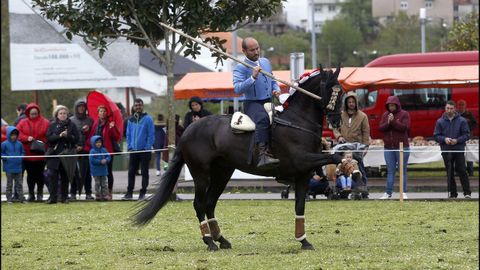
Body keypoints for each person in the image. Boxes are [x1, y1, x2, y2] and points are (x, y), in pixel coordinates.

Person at [233, 37, 281, 168]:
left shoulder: (265, 62)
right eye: (252, 50)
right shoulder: (240, 67)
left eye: (257, 48)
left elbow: (272, 80)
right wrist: (252, 77)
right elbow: (237, 89)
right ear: (244, 51)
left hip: (268, 101)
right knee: (262, 119)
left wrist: (276, 90)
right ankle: (262, 155)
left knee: (284, 119)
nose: (256, 52)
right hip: (252, 103)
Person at [434, 100, 471, 199]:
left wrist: (457, 140)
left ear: (455, 109)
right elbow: (436, 136)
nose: (449, 110)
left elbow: (467, 135)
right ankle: (453, 194)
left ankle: (467, 193)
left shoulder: (462, 120)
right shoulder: (440, 121)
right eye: (447, 108)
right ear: (445, 109)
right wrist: (444, 139)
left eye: (451, 108)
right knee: (449, 172)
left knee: (462, 170)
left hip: (458, 149)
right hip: (446, 149)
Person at [333, 91, 370, 188]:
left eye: (353, 102)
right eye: (349, 102)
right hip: (343, 147)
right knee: (342, 168)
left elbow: (366, 132)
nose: (351, 104)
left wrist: (366, 146)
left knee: (359, 168)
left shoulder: (363, 116)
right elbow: (335, 128)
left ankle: (363, 188)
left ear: (356, 103)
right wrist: (339, 136)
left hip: (357, 147)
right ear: (346, 103)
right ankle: (341, 188)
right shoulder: (340, 115)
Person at [378, 96, 411, 199]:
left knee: (402, 170)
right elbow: (381, 128)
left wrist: (393, 122)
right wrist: (388, 122)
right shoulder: (385, 115)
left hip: (402, 147)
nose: (391, 107)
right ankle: (388, 192)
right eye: (389, 105)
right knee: (390, 171)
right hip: (388, 147)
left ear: (397, 105)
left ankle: (403, 192)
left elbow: (404, 128)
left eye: (393, 105)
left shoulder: (404, 114)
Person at [86, 105, 121, 200]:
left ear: (107, 113)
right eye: (101, 111)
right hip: (97, 152)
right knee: (98, 174)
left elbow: (115, 137)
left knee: (108, 172)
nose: (103, 113)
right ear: (98, 113)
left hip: (107, 151)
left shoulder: (110, 123)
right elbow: (91, 136)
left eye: (104, 111)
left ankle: (108, 192)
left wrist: (112, 128)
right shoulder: (95, 124)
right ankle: (99, 193)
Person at [16, 103, 50, 202]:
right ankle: (31, 194)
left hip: (41, 154)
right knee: (30, 176)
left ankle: (40, 194)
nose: (34, 115)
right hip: (28, 153)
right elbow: (17, 134)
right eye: (32, 114)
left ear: (38, 112)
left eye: (35, 113)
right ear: (28, 113)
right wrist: (27, 138)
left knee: (40, 175)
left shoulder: (46, 122)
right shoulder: (22, 122)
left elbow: (49, 135)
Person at [45, 105, 79, 204]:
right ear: (57, 115)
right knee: (52, 177)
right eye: (61, 113)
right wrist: (59, 136)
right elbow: (49, 139)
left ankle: (64, 197)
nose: (63, 115)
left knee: (65, 177)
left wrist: (67, 135)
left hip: (66, 154)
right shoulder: (52, 125)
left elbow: (76, 139)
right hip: (54, 154)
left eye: (64, 113)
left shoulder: (72, 125)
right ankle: (53, 198)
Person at [123, 98, 155, 201]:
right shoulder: (130, 120)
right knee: (131, 172)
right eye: (136, 105)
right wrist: (130, 146)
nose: (138, 107)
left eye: (140, 105)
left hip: (145, 151)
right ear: (134, 107)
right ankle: (129, 192)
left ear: (143, 106)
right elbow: (128, 134)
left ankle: (143, 193)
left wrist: (147, 147)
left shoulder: (148, 119)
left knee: (144, 172)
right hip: (133, 151)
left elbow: (151, 135)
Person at [69, 100, 95, 200]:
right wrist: (75, 146)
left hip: (86, 149)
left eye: (83, 106)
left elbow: (92, 136)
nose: (81, 108)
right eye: (79, 106)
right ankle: (73, 193)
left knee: (87, 172)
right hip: (74, 149)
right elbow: (69, 135)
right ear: (76, 108)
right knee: (74, 172)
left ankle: (88, 192)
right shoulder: (71, 120)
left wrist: (84, 146)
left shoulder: (90, 120)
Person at [1, 126, 25, 203]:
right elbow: (2, 153)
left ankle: (21, 199)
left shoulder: (20, 144)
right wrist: (6, 158)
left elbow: (23, 152)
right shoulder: (4, 144)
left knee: (19, 184)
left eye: (15, 135)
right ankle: (9, 199)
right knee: (9, 184)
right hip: (9, 168)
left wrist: (21, 157)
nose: (13, 136)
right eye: (12, 135)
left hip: (18, 167)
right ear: (8, 135)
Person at [457, 99, 477, 176]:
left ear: (465, 106)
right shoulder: (456, 114)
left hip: (468, 136)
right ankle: (459, 171)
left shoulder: (469, 114)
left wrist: (467, 127)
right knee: (459, 154)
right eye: (459, 105)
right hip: (458, 136)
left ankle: (470, 171)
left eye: (462, 105)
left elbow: (475, 124)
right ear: (457, 106)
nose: (461, 107)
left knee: (469, 153)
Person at [89, 135, 111, 201]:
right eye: (97, 142)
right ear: (93, 143)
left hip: (103, 170)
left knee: (104, 183)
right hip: (96, 171)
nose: (98, 144)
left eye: (100, 142)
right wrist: (100, 162)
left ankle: (105, 195)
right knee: (97, 183)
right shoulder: (92, 151)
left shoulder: (104, 150)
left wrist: (106, 160)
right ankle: (97, 195)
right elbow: (92, 160)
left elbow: (108, 156)